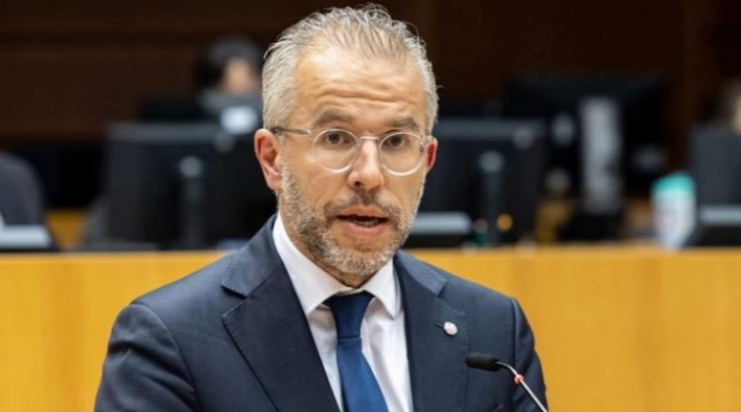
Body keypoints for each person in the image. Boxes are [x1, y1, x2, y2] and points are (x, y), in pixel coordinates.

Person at [95, 5, 547, 412]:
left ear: (427, 161)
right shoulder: (172, 341)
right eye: (335, 138)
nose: (369, 174)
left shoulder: (492, 331)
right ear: (272, 158)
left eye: (396, 142)